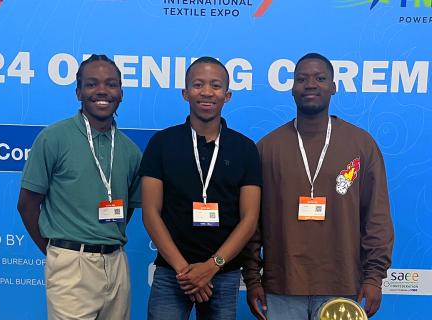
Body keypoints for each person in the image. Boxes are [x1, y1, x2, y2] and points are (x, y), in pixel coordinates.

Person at [242, 53, 394, 320]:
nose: (310, 84)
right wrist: (253, 278)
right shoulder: (267, 148)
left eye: (320, 78)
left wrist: (374, 277)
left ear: (334, 86)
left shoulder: (361, 145)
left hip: (342, 285)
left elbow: (376, 217)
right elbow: (251, 222)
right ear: (291, 89)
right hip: (282, 286)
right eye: (301, 79)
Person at [17, 54, 141, 320]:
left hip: (116, 263)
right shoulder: (53, 138)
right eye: (92, 84)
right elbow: (27, 204)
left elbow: (128, 209)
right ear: (78, 92)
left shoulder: (130, 150)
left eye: (111, 84)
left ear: (121, 92)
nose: (102, 91)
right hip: (71, 263)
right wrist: (57, 251)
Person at [140, 56, 262, 319]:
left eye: (216, 86)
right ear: (185, 93)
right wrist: (186, 271)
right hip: (171, 272)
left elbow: (250, 219)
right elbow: (150, 212)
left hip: (224, 273)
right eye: (198, 84)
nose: (207, 92)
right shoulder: (161, 143)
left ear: (227, 95)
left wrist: (211, 267)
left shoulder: (245, 149)